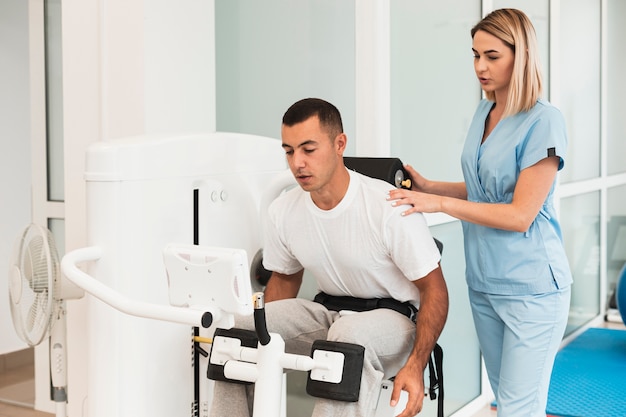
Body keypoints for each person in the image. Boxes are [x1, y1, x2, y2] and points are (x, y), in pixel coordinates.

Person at [209, 97, 449, 417]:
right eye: (289, 151)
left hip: (394, 323)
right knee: (238, 332)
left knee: (346, 338)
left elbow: (436, 291)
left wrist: (416, 365)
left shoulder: (388, 208)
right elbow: (284, 279)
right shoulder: (283, 211)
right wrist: (263, 334)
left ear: (340, 144)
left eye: (309, 149)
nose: (297, 163)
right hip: (328, 315)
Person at [387, 8, 572, 417]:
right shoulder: (483, 114)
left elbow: (520, 212)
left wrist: (439, 204)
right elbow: (488, 190)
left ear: (520, 55)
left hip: (533, 290)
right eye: (474, 55)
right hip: (486, 285)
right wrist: (431, 187)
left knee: (518, 410)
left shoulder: (545, 122)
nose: (479, 67)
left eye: (491, 56)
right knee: (508, 403)